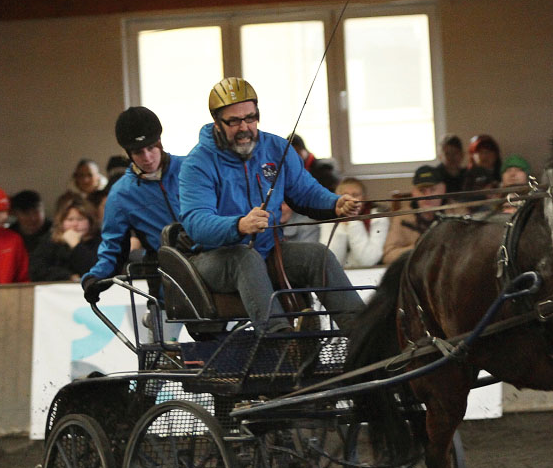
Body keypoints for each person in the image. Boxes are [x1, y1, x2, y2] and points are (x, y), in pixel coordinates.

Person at [179, 77, 363, 331]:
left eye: (251, 118)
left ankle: (364, 334)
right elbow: (196, 223)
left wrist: (335, 203)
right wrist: (239, 225)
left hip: (267, 251)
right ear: (217, 123)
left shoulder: (276, 148)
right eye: (234, 121)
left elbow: (305, 192)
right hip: (214, 258)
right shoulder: (197, 163)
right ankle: (283, 341)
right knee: (245, 258)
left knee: (317, 256)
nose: (244, 127)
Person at [82, 106, 185, 304]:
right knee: (163, 334)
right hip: (166, 281)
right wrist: (93, 278)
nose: (147, 157)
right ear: (128, 153)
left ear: (160, 143)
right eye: (138, 152)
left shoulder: (191, 169)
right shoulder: (121, 194)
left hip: (208, 267)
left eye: (151, 148)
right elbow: (114, 248)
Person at [318, 178, 388, 268]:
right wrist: (341, 228)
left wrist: (353, 222)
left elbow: (368, 261)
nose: (350, 200)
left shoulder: (378, 218)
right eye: (345, 195)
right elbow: (329, 263)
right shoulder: (328, 219)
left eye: (356, 195)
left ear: (365, 198)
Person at [382, 165, 446, 265]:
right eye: (422, 191)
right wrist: (417, 248)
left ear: (443, 189)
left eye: (433, 190)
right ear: (414, 192)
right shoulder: (401, 217)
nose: (428, 196)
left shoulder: (458, 212)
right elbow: (388, 256)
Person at [30, 197, 100, 282]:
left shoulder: (101, 241)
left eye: (80, 219)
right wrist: (68, 276)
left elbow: (97, 270)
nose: (75, 224)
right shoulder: (50, 240)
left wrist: (76, 246)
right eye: (70, 219)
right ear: (61, 222)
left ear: (90, 221)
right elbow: (36, 270)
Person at [9, 190, 52, 255]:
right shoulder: (9, 236)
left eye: (36, 212)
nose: (33, 218)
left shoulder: (55, 232)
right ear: (15, 213)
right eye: (26, 213)